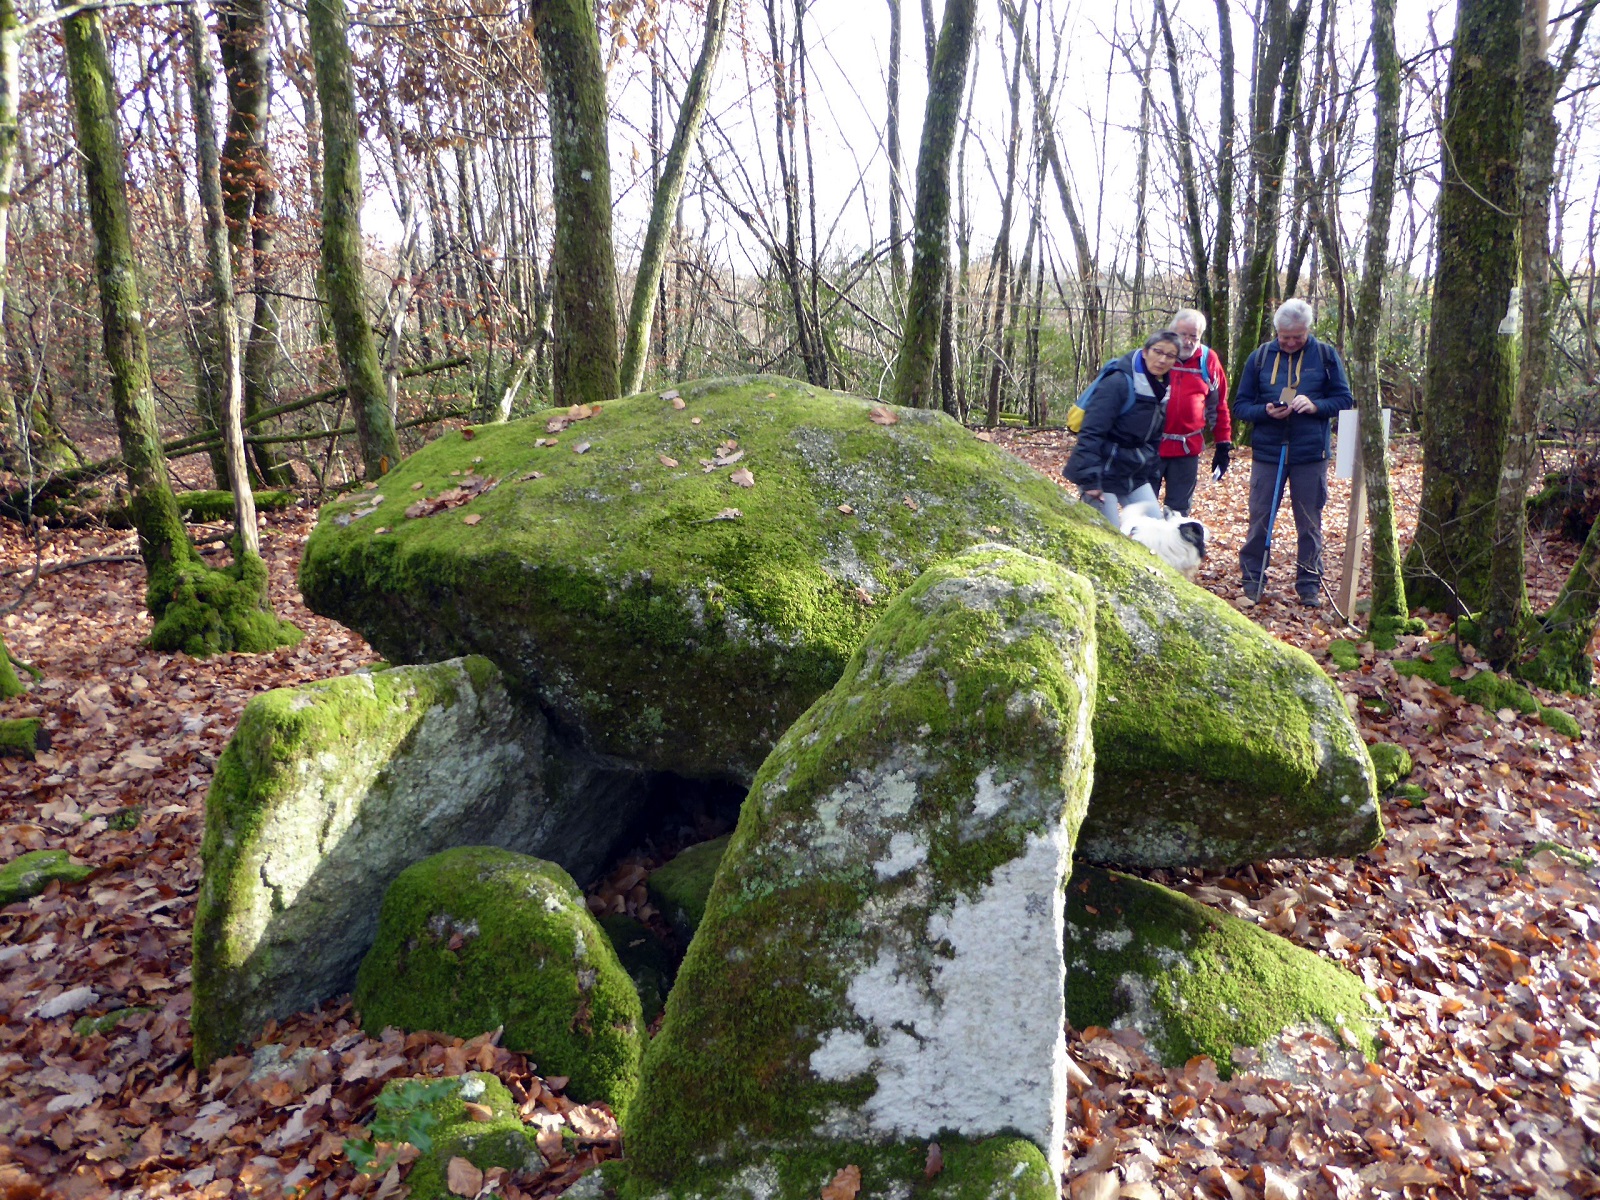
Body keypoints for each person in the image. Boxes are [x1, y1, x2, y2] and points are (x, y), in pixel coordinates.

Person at [1232, 298, 1353, 607]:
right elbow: (1240, 406)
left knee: (1309, 523)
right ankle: (1252, 581)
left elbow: (1344, 399)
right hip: (1268, 452)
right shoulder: (1260, 357)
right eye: (1284, 337)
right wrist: (1265, 411)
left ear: (1308, 330)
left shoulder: (1325, 355)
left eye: (1297, 337)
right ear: (1276, 331)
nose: (1290, 342)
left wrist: (1315, 406)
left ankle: (1309, 585)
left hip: (1310, 453)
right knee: (1260, 519)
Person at [1063, 329, 1182, 526]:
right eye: (1158, 351)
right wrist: (1090, 480)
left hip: (1132, 472)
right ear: (1145, 351)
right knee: (1108, 534)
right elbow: (1091, 431)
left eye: (1170, 356)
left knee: (1155, 530)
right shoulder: (1118, 381)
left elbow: (1154, 437)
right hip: (1100, 471)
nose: (1162, 360)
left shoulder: (1161, 388)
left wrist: (1149, 468)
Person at [1155, 308, 1232, 515]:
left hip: (1186, 449)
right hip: (1152, 447)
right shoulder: (1157, 356)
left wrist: (1223, 445)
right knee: (1144, 509)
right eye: (1183, 335)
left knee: (1178, 513)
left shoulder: (1208, 360)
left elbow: (1219, 405)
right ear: (1172, 333)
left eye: (1194, 337)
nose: (1188, 342)